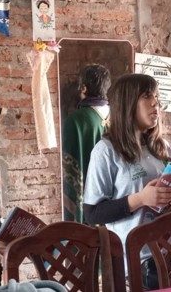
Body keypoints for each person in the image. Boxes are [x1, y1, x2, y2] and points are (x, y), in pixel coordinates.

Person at [82, 73, 171, 290]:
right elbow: (92, 213)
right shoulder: (105, 151)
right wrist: (140, 199)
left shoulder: (161, 147)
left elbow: (164, 204)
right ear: (128, 103)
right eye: (148, 96)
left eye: (157, 97)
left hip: (170, 252)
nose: (156, 103)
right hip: (133, 261)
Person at [62, 64, 111, 222]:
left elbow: (70, 172)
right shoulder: (119, 117)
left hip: (90, 205)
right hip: (117, 203)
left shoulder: (75, 121)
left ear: (83, 88)